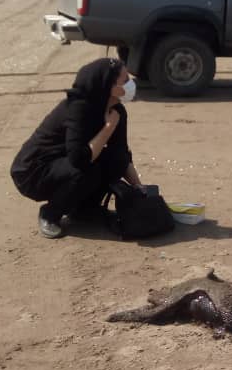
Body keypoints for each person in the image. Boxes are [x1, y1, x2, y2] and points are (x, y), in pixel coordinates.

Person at [10, 57, 143, 238]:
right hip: (34, 171)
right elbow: (78, 159)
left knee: (115, 161)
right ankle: (50, 214)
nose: (130, 84)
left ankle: (85, 210)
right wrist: (108, 128)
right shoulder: (78, 109)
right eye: (125, 80)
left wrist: (139, 187)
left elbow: (121, 153)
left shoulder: (117, 111)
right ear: (108, 86)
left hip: (65, 163)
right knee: (85, 170)